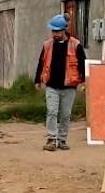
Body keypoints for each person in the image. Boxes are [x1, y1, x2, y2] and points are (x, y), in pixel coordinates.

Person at [34, 14, 86, 151]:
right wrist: (37, 80)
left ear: (64, 30)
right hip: (52, 85)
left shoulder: (76, 45)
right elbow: (41, 62)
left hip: (69, 86)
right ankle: (51, 139)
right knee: (51, 111)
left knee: (65, 114)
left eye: (57, 31)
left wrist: (84, 82)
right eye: (53, 31)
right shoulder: (47, 45)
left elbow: (82, 64)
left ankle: (62, 139)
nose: (54, 34)